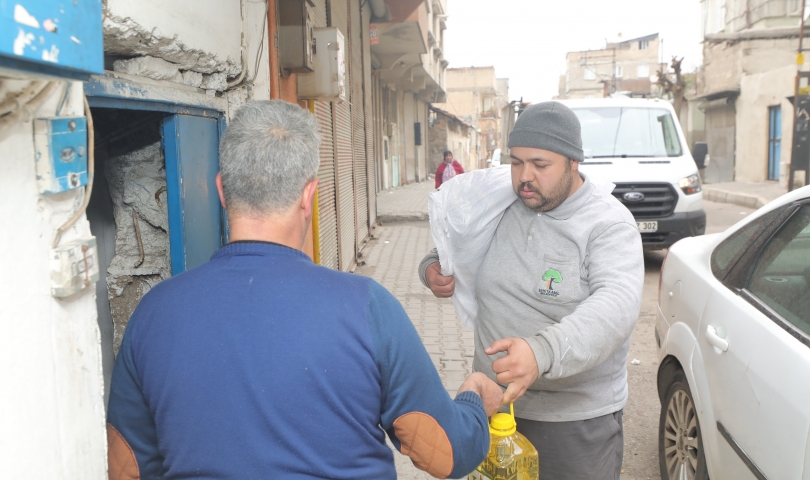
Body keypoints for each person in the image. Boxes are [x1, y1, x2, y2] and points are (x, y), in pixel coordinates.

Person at [106, 100, 503, 480]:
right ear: (309, 196)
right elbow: (446, 452)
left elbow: (126, 467)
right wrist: (472, 399)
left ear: (222, 190)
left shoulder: (154, 312)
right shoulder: (366, 307)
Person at [419, 101, 644, 479]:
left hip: (571, 423)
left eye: (540, 165)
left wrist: (541, 352)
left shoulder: (607, 224)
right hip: (493, 408)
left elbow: (616, 305)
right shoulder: (503, 202)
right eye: (516, 162)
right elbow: (452, 242)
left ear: (574, 162)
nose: (524, 176)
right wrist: (431, 269)